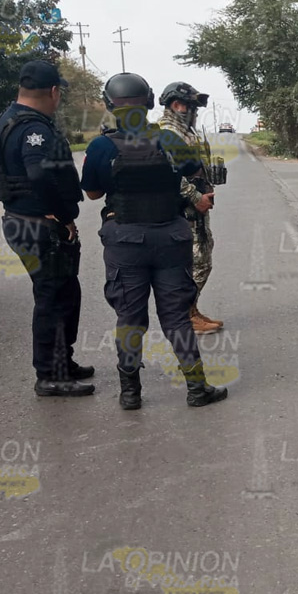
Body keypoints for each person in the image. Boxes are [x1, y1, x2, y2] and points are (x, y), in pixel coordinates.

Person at [81, 72, 228, 411]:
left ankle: (130, 393)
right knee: (177, 317)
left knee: (129, 320)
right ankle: (196, 388)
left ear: (108, 104)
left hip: (126, 242)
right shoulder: (169, 140)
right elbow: (193, 173)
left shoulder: (101, 145)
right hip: (170, 238)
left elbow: (92, 193)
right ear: (149, 103)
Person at [0, 60, 93, 397]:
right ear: (54, 92)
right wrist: (61, 215)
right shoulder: (35, 129)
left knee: (64, 294)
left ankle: (63, 362)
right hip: (39, 228)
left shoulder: (6, 119)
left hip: (21, 221)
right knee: (53, 300)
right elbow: (39, 173)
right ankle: (50, 375)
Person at [157, 81, 221, 335]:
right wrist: (196, 197)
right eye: (192, 107)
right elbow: (170, 175)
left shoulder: (183, 131)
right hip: (185, 209)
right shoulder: (168, 133)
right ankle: (184, 315)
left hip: (195, 208)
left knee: (202, 258)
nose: (195, 112)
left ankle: (190, 310)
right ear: (177, 105)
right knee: (197, 262)